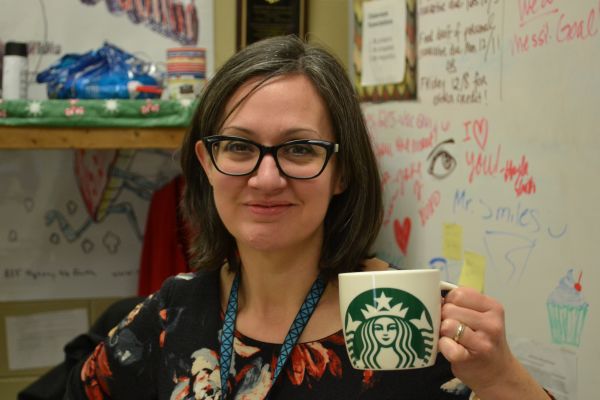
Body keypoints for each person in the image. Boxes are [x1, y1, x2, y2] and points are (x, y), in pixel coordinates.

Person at [64, 35, 553, 399]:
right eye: (238, 146)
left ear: (341, 172)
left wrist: (501, 376)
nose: (266, 178)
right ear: (208, 163)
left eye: (299, 148)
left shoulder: (409, 318)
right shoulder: (172, 313)